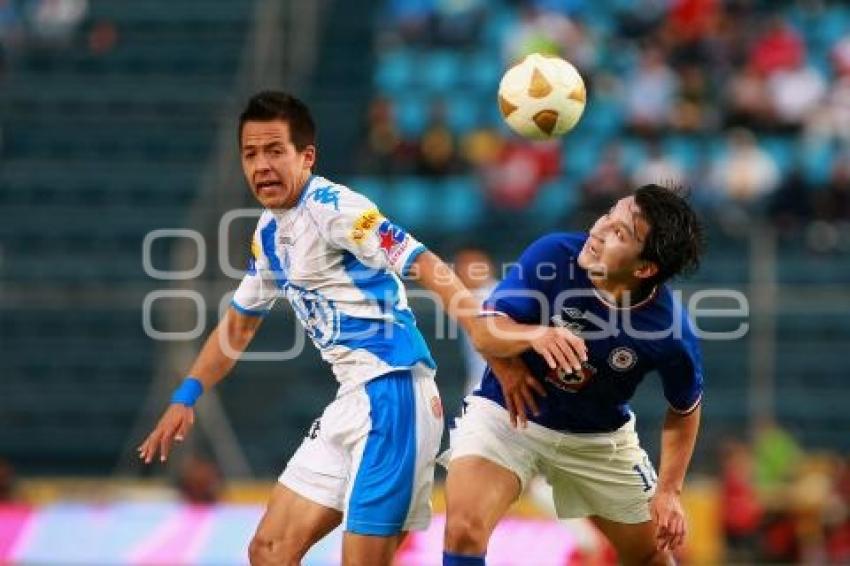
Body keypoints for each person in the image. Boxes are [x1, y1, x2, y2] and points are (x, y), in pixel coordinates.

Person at [137, 91, 481, 566]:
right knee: (268, 550)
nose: (262, 165)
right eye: (250, 154)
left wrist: (477, 325)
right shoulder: (269, 233)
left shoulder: (334, 206)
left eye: (275, 150)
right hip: (352, 400)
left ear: (306, 156)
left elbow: (418, 259)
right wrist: (187, 395)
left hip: (394, 394)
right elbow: (238, 327)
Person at [443, 184, 705, 566]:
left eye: (619, 233)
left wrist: (669, 491)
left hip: (598, 441)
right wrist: (534, 335)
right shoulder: (554, 256)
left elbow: (684, 408)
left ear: (645, 268)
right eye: (609, 214)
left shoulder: (671, 332)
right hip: (510, 415)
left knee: (651, 556)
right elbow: (484, 331)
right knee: (464, 530)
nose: (599, 230)